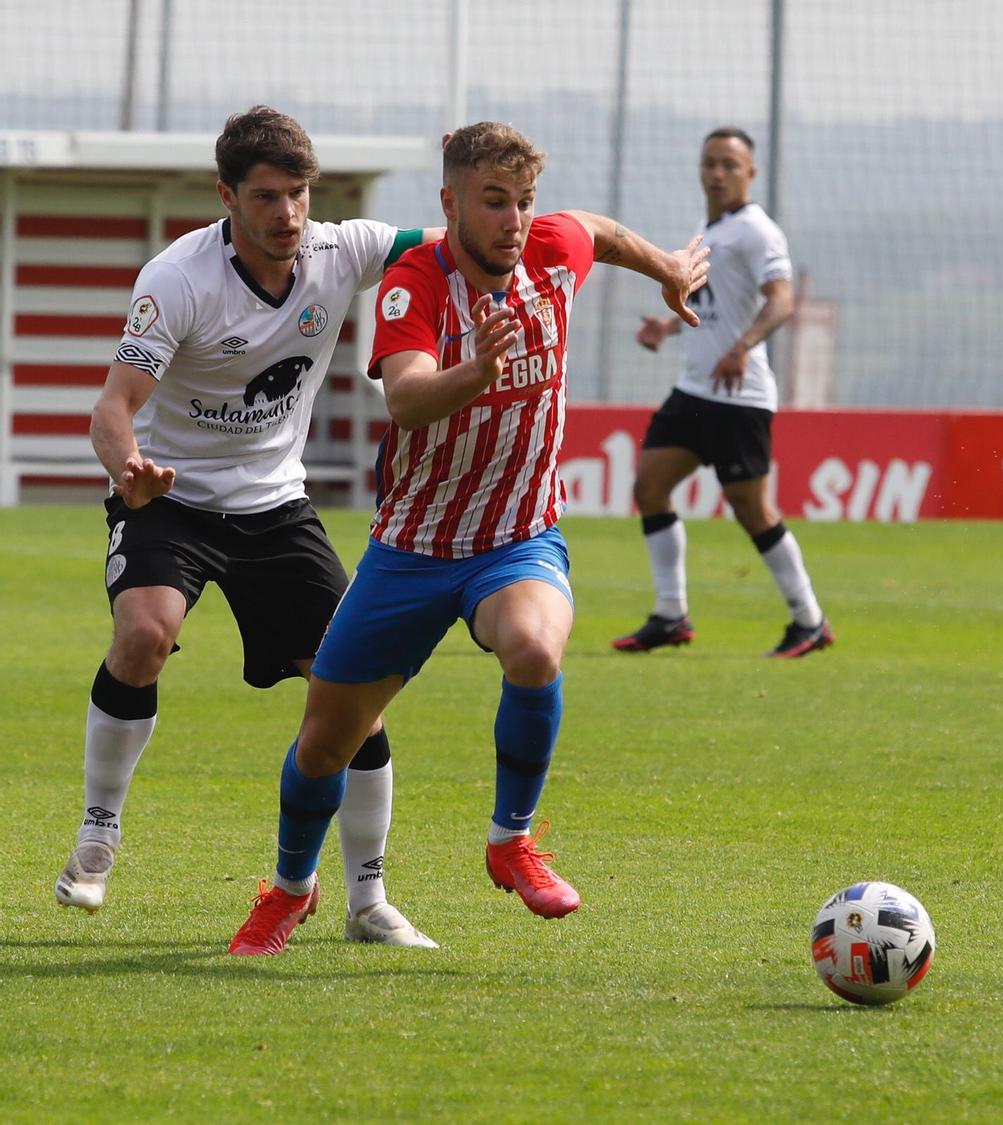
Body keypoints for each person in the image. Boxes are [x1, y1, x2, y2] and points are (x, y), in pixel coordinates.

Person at [226, 121, 709, 955]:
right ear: (450, 204)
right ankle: (292, 888)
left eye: (523, 202)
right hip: (411, 549)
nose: (514, 221)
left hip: (517, 537)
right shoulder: (416, 281)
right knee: (324, 741)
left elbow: (592, 228)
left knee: (534, 648)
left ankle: (511, 838)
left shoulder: (551, 251)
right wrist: (476, 373)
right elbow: (407, 400)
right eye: (493, 203)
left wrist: (665, 265)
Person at [66, 105, 438, 947]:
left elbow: (455, 242)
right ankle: (99, 832)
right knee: (145, 634)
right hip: (174, 498)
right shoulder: (178, 277)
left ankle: (368, 900)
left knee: (355, 696)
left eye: (300, 194)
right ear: (226, 195)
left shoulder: (340, 250)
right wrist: (130, 471)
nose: (287, 215)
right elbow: (113, 409)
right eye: (267, 196)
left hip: (277, 507)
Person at [613, 126, 830, 659]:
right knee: (649, 487)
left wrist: (742, 347)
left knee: (752, 510)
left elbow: (781, 302)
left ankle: (809, 620)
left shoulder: (757, 231)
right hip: (695, 391)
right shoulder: (711, 230)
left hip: (739, 396)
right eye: (710, 162)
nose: (717, 173)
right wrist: (666, 329)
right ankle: (670, 614)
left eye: (729, 165)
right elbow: (711, 306)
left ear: (749, 173)